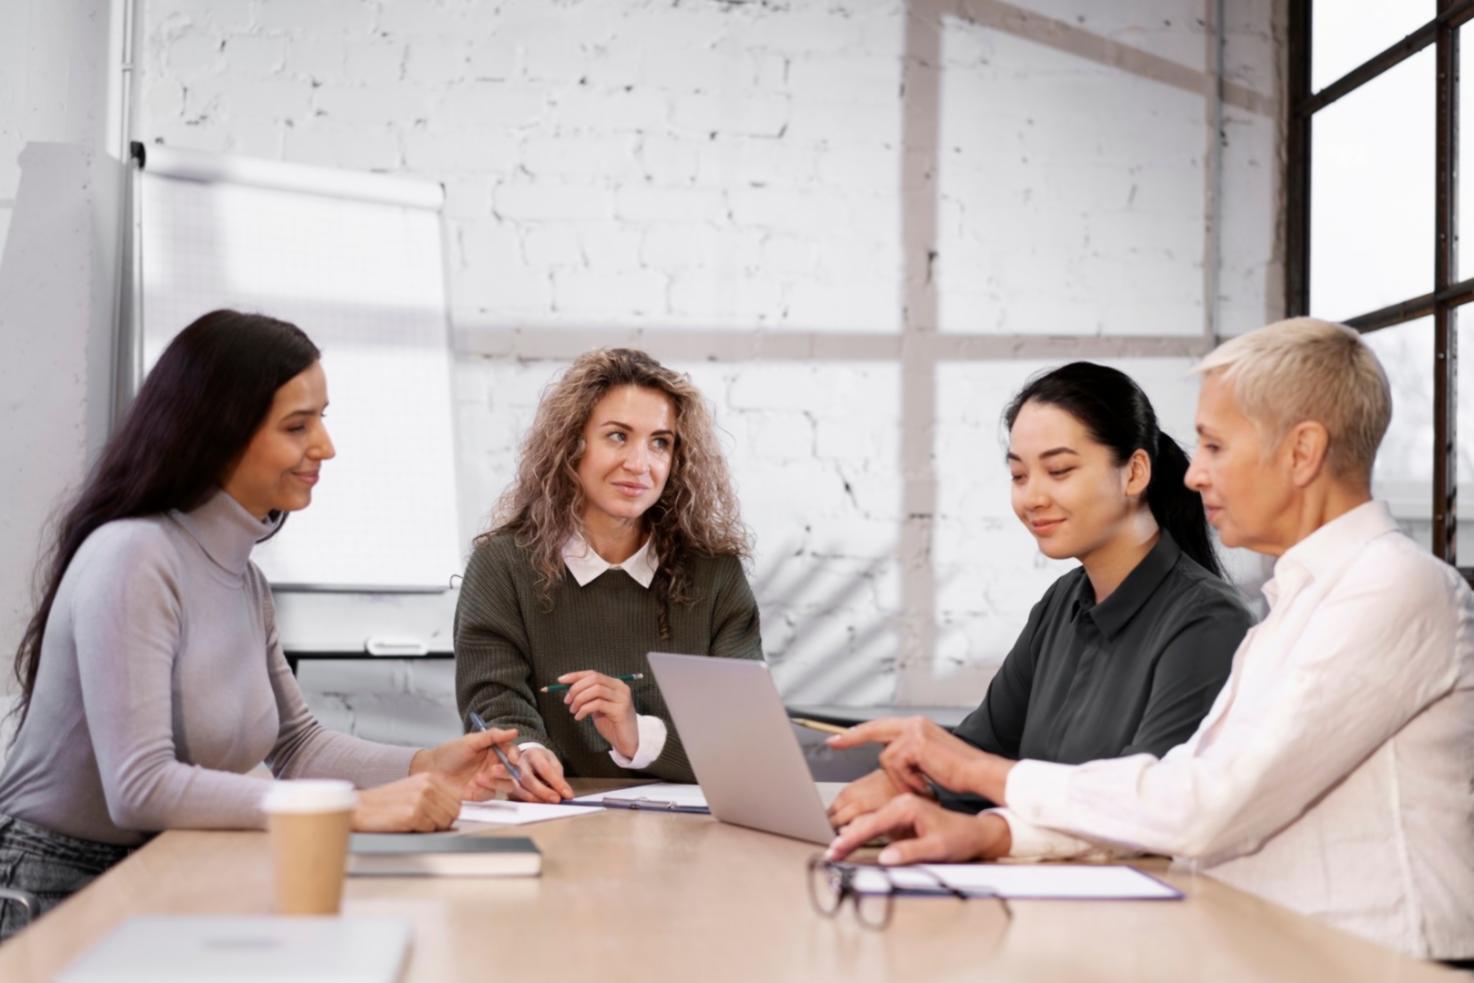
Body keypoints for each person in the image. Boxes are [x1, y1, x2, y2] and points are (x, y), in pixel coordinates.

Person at [826, 319, 1474, 961]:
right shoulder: (1298, 603)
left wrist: (980, 775)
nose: (1192, 475)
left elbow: (1204, 807)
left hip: (1377, 963)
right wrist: (992, 833)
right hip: (1270, 946)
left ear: (1302, 452)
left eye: (1216, 447)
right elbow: (1174, 791)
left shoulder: (1393, 588)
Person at [0, 310, 520, 938]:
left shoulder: (244, 579)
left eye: (323, 418)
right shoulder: (133, 557)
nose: (325, 446)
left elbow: (298, 746)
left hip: (166, 864)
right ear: (217, 434)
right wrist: (347, 810)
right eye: (297, 426)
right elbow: (138, 787)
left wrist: (426, 763)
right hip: (55, 888)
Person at [828, 362, 1252, 829]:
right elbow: (981, 749)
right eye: (1019, 476)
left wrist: (974, 813)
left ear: (1133, 473)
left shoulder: (1207, 621)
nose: (1032, 497)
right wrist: (906, 785)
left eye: (1059, 470)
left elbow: (1145, 810)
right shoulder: (1062, 602)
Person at [455, 348, 762, 800]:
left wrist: (635, 734)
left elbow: (742, 740)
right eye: (618, 436)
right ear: (571, 446)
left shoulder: (716, 576)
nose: (640, 464)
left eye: (661, 442)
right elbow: (495, 704)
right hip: (555, 820)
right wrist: (526, 752)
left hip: (694, 843)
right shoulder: (501, 566)